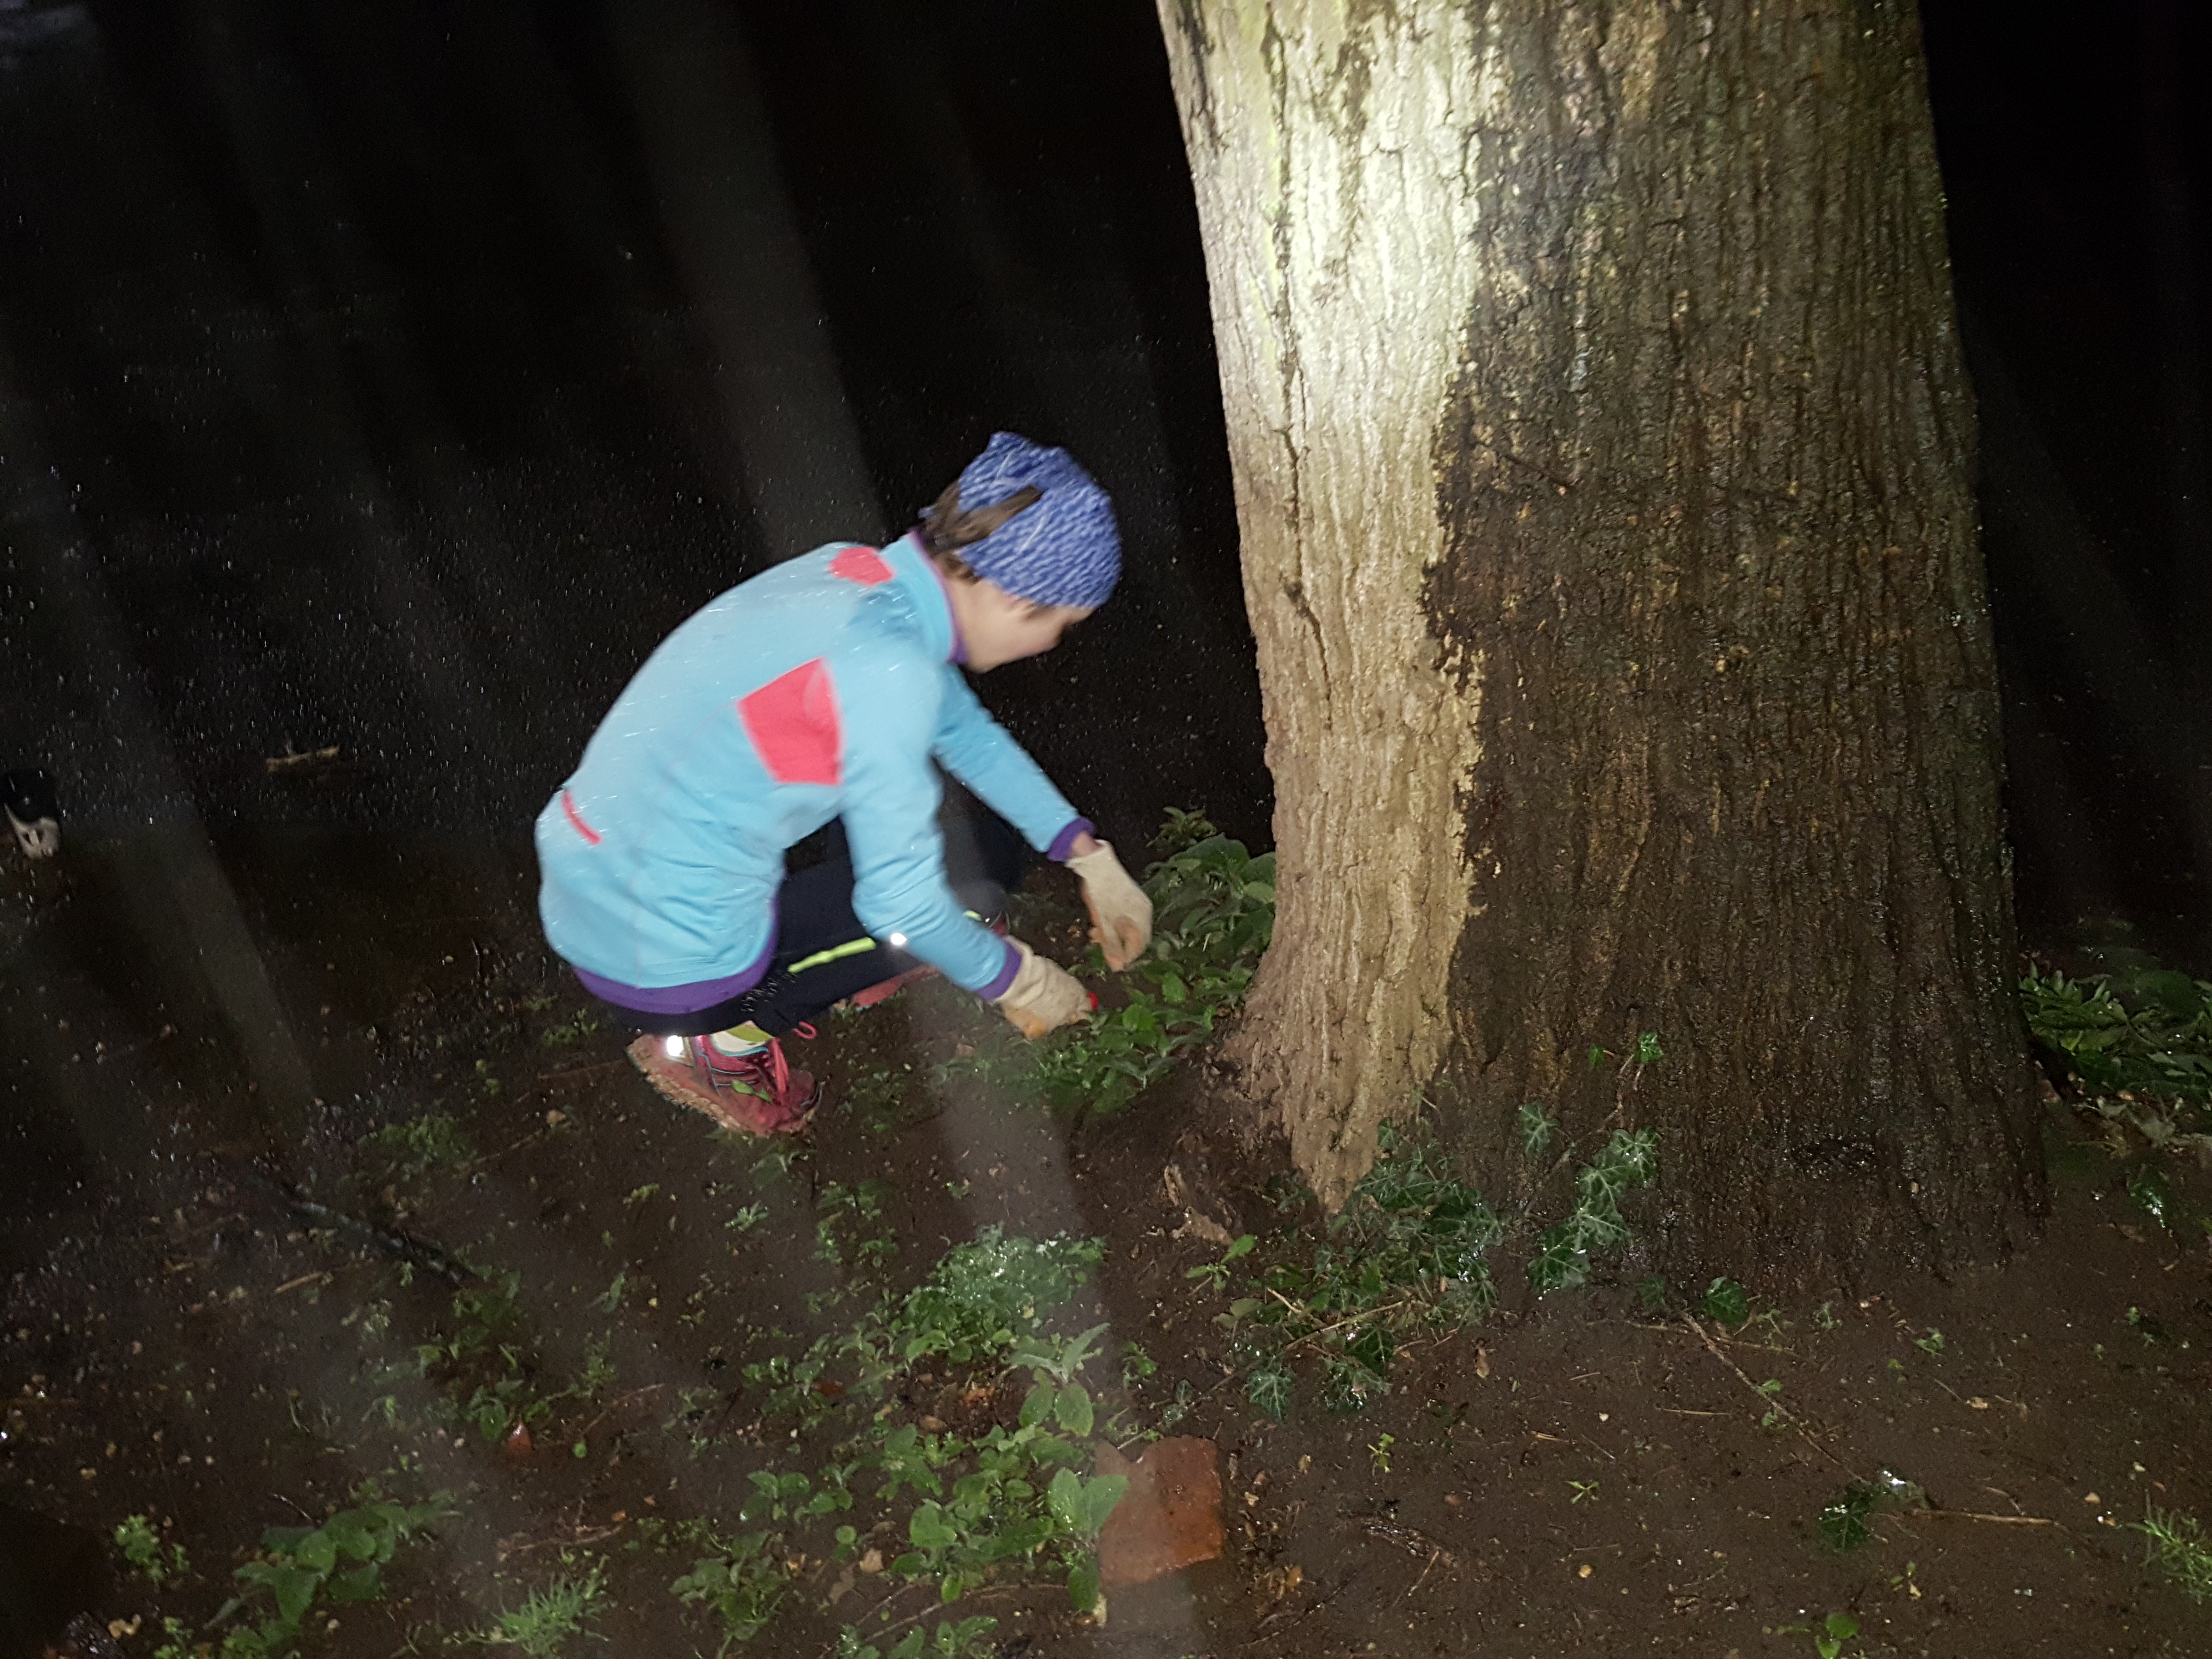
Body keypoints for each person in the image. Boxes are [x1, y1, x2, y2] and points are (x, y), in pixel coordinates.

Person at [534, 433, 1153, 1135]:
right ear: (1011, 594)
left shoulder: (855, 575)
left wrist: (1086, 855)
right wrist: (1020, 980)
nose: (1049, 647)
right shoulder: (889, 675)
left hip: (597, 878)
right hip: (661, 960)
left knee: (986, 849)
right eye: (1059, 625)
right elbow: (906, 906)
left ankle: (819, 964)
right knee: (966, 909)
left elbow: (968, 735)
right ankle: (717, 1044)